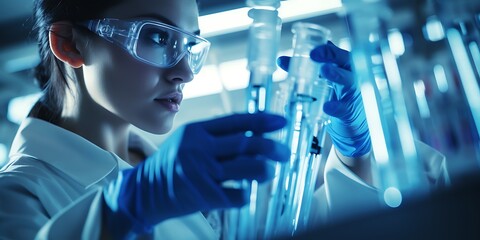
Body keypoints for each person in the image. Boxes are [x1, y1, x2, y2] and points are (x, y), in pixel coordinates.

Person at [0, 0, 447, 239]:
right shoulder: (16, 197)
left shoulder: (194, 178)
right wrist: (122, 210)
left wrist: (357, 155)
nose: (185, 71)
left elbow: (309, 228)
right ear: (70, 44)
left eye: (190, 44)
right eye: (156, 36)